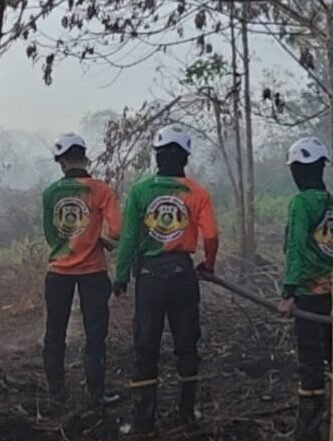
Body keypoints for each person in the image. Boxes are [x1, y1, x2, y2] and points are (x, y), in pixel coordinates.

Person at [113, 124, 219, 434]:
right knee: (187, 344)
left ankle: (144, 420)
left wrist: (120, 276)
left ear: (157, 156)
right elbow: (211, 234)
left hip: (149, 279)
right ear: (185, 157)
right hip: (184, 275)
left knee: (146, 347)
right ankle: (187, 413)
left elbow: (129, 239)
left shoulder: (140, 191)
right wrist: (208, 264)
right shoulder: (197, 192)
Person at [276, 136, 333, 441]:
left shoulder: (300, 203)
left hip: (310, 294)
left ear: (298, 170)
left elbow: (295, 248)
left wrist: (288, 293)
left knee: (310, 360)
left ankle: (308, 429)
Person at [41, 133, 122, 410]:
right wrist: (98, 240)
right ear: (85, 157)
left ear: (61, 162)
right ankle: (96, 393)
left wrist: (70, 243)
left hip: (58, 271)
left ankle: (56, 392)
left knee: (54, 332)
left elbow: (52, 236)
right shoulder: (101, 190)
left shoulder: (50, 193)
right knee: (95, 334)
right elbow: (118, 231)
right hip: (93, 272)